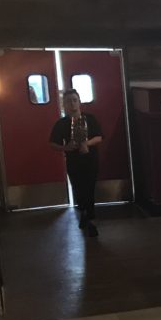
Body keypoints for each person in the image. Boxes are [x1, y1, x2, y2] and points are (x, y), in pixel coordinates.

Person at [49, 88, 103, 236]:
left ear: (79, 102)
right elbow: (52, 144)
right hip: (73, 162)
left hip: (90, 160)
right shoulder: (61, 123)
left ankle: (91, 220)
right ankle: (83, 212)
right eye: (68, 101)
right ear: (64, 105)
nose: (72, 104)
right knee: (78, 189)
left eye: (74, 100)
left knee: (89, 189)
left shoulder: (90, 119)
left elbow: (99, 137)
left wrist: (87, 144)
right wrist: (65, 147)